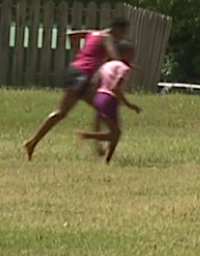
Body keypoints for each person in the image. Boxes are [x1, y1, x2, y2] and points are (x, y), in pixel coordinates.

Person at [23, 17, 130, 160]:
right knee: (102, 108)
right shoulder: (107, 38)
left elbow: (72, 35)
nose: (123, 36)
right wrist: (125, 65)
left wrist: (78, 54)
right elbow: (115, 59)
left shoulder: (94, 33)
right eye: (124, 33)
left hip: (74, 71)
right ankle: (100, 145)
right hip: (83, 76)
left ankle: (32, 142)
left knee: (65, 112)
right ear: (119, 29)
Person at [75, 40, 142, 164]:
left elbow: (95, 81)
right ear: (125, 54)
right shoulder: (124, 69)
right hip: (109, 99)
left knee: (116, 132)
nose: (134, 56)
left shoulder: (107, 65)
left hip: (99, 96)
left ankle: (107, 160)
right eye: (132, 53)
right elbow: (116, 88)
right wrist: (129, 104)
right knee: (115, 134)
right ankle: (86, 135)